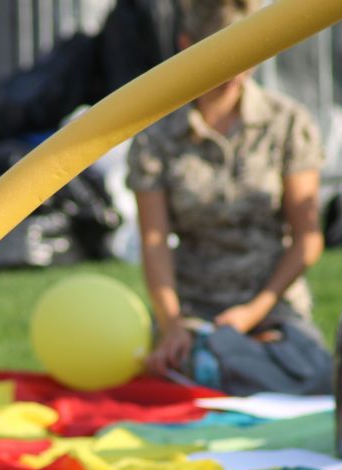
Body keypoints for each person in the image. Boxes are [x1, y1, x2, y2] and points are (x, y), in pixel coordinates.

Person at [126, 0, 330, 394]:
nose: (234, 72)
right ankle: (218, 361)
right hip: (193, 310)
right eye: (220, 56)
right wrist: (171, 326)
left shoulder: (287, 122)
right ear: (187, 46)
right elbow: (154, 241)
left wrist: (253, 314)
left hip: (272, 306)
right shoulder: (157, 134)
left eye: (247, 55)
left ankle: (225, 362)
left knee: (315, 376)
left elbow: (307, 237)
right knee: (172, 381)